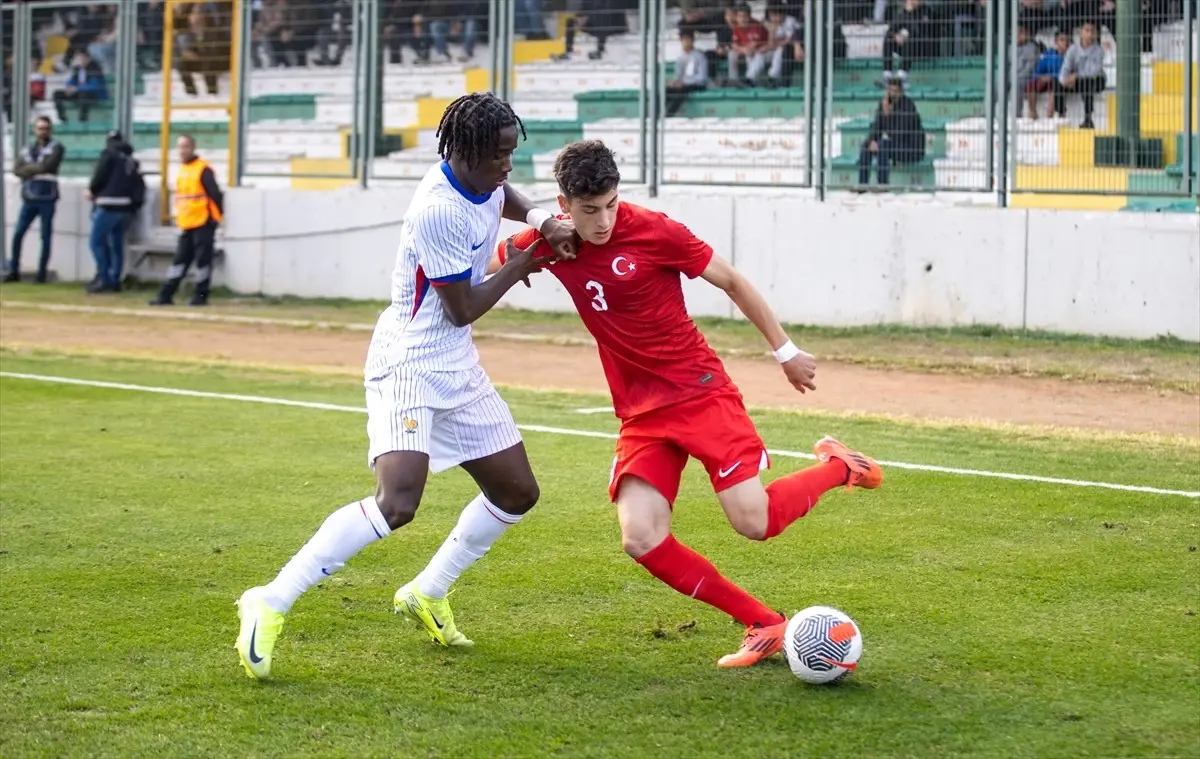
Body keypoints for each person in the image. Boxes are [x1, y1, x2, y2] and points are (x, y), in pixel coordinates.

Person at [403, 139, 884, 669]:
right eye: (589, 210)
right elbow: (474, 269)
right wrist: (423, 284)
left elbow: (731, 279)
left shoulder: (655, 229)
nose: (604, 219)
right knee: (641, 537)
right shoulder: (550, 241)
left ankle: (841, 466)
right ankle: (763, 621)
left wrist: (786, 352)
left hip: (698, 391)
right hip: (641, 412)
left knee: (755, 521)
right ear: (563, 205)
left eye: (610, 203)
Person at [233, 93, 579, 680]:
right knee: (398, 503)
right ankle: (271, 598)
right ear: (467, 152)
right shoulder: (436, 210)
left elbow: (503, 197)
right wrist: (526, 260)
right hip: (410, 361)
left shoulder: (483, 175)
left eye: (512, 152)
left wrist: (541, 219)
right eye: (501, 155)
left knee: (517, 491)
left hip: (456, 364)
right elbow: (463, 307)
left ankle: (428, 590)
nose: (509, 166)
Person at [149, 136, 224, 307]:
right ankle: (166, 295)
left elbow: (216, 195)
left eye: (186, 147)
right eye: (180, 147)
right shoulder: (183, 170)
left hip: (203, 221)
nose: (182, 150)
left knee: (202, 261)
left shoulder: (203, 169)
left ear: (193, 148)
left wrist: (216, 218)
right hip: (187, 222)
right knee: (180, 260)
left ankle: (200, 296)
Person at [85, 130, 145, 293]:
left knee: (95, 242)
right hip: (126, 207)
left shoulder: (108, 154)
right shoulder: (132, 161)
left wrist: (91, 190)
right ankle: (115, 278)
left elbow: (100, 175)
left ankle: (104, 278)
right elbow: (139, 185)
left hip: (108, 204)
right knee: (116, 243)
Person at [7, 117, 65, 283]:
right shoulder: (27, 149)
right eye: (40, 128)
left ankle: (41, 274)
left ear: (50, 130)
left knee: (45, 236)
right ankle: (14, 270)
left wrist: (29, 170)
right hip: (30, 196)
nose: (42, 132)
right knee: (18, 233)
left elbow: (48, 166)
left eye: (45, 128)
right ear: (35, 130)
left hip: (47, 196)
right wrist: (34, 170)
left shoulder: (56, 147)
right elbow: (17, 169)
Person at [858, 78, 925, 187]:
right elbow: (877, 126)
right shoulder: (884, 104)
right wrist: (872, 140)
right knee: (866, 146)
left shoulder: (908, 106)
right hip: (895, 146)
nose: (893, 94)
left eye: (895, 91)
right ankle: (862, 185)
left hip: (911, 149)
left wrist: (889, 115)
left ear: (901, 92)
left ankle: (882, 186)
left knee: (884, 145)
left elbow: (901, 133)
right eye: (890, 91)